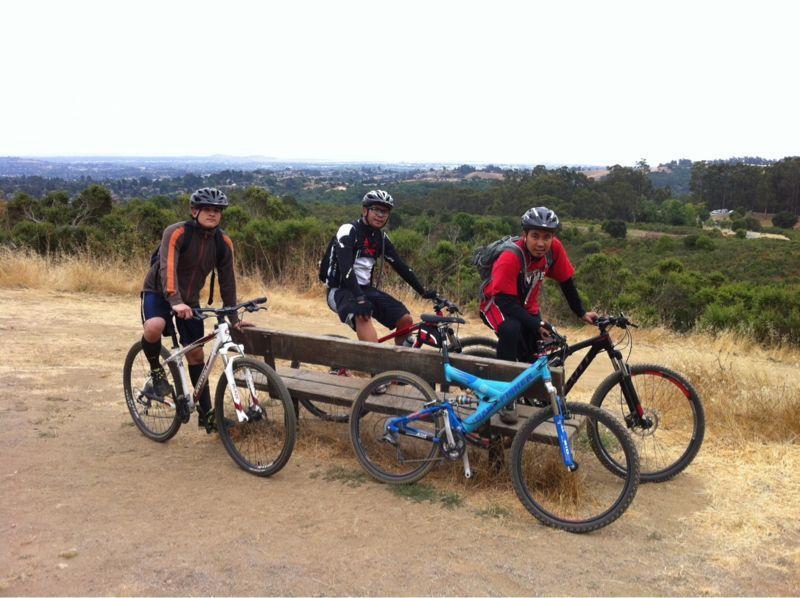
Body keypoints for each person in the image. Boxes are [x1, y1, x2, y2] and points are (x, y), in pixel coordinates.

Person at [479, 206, 598, 423]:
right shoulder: (511, 256)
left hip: (526, 307)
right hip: (496, 303)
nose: (541, 243)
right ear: (525, 235)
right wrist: (538, 324)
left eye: (547, 237)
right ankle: (504, 399)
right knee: (511, 330)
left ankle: (536, 398)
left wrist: (580, 312)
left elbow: (566, 281)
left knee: (542, 351)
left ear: (553, 237)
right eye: (535, 236)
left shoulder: (554, 250)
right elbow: (505, 302)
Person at [139, 187, 244, 432]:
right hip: (159, 291)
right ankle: (156, 373)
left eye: (217, 210)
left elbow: (228, 281)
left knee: (196, 355)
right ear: (194, 210)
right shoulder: (176, 232)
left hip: (190, 299)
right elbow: (168, 268)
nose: (212, 214)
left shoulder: (222, 242)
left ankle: (207, 415)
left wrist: (233, 316)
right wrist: (174, 301)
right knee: (155, 326)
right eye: (207, 209)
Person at [322, 190, 437, 344]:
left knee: (405, 319)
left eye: (385, 211)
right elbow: (346, 268)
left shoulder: (381, 238)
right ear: (365, 210)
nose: (381, 215)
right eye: (376, 209)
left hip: (365, 290)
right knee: (362, 315)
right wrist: (360, 299)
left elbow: (400, 266)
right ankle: (373, 366)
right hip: (340, 289)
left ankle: (397, 364)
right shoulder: (349, 230)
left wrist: (423, 291)